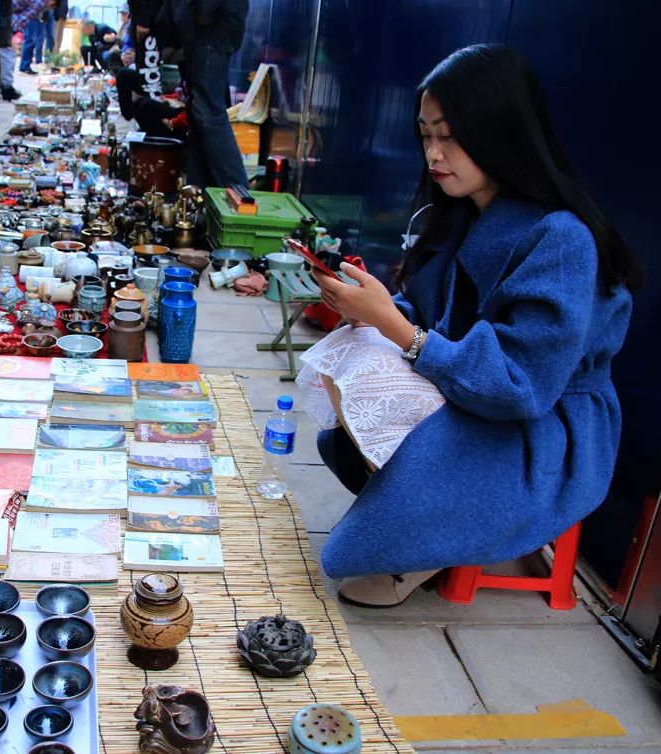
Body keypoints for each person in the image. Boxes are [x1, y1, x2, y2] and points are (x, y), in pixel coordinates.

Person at [306, 44, 639, 608]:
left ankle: (427, 538)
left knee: (382, 379)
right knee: (350, 356)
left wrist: (397, 328)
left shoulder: (561, 239)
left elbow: (521, 384)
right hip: (480, 387)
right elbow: (426, 317)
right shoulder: (458, 210)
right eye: (425, 134)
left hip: (546, 422)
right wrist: (371, 311)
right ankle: (423, 521)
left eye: (450, 136)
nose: (433, 153)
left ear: (500, 131)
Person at [162, 0, 247, 187]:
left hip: (210, 32)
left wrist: (197, 15)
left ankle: (239, 197)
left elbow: (205, 13)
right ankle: (201, 196)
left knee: (208, 115)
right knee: (200, 115)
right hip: (207, 31)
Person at [0, 0, 22, 101]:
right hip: (3, 20)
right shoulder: (39, 3)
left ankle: (3, 86)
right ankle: (6, 87)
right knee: (7, 53)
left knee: (3, 54)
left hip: (3, 19)